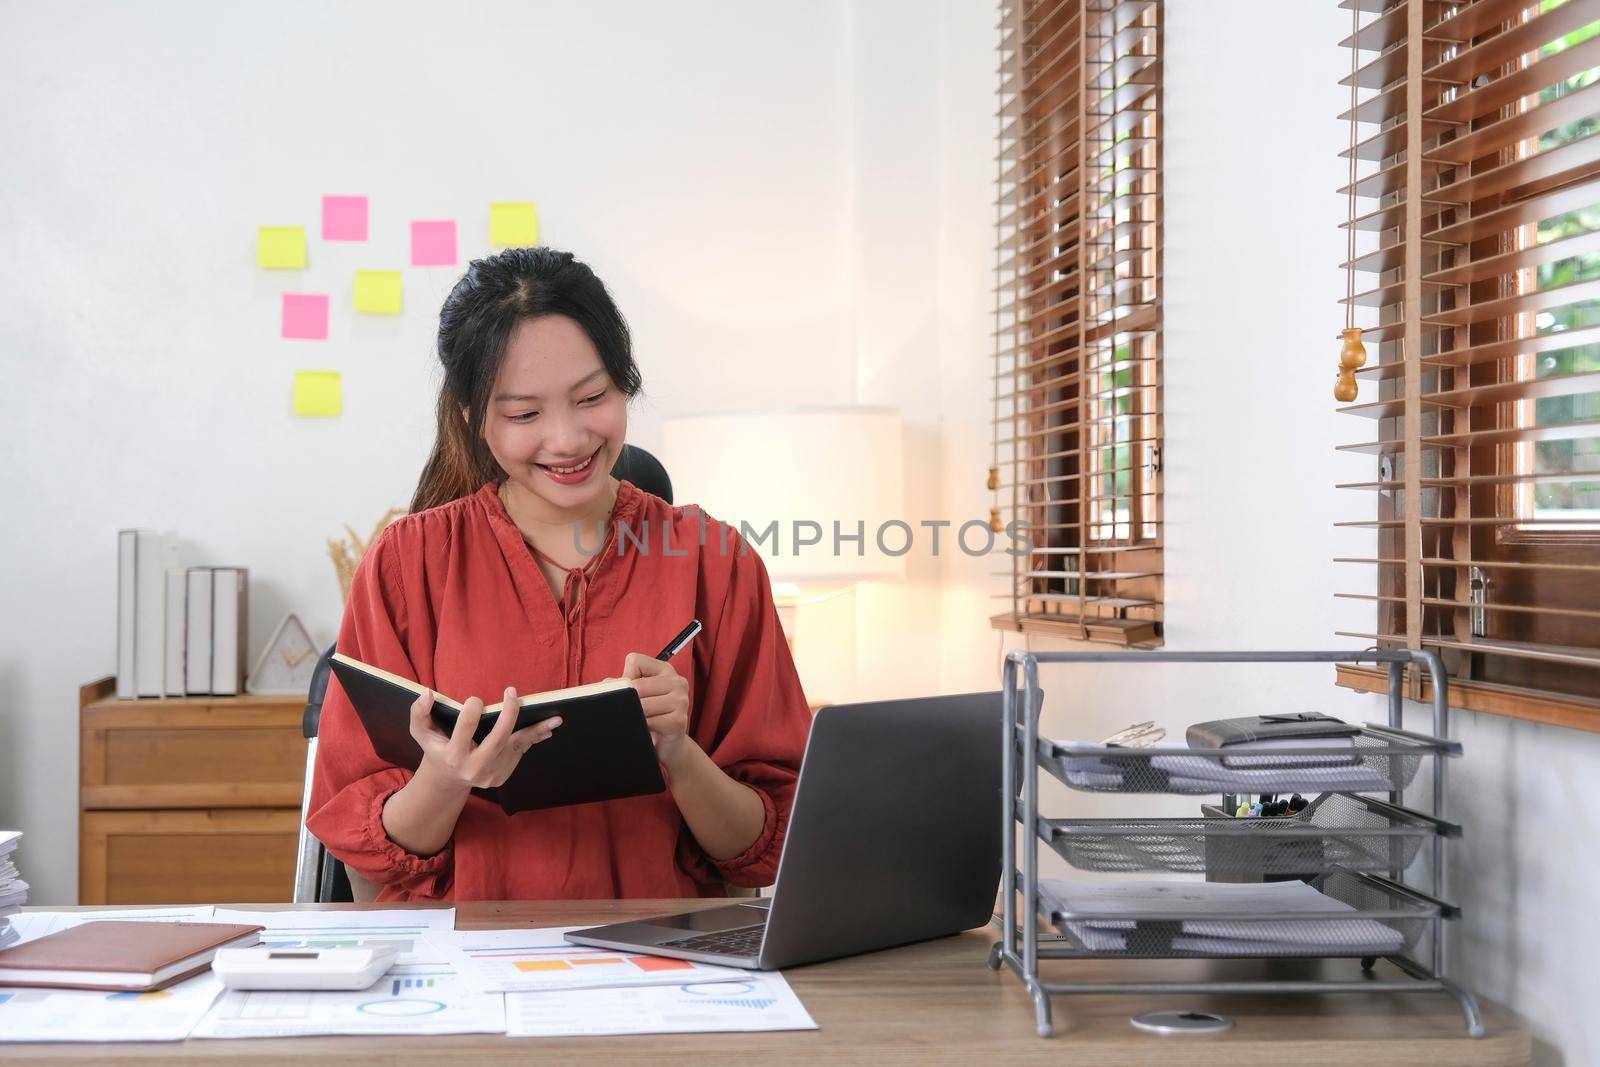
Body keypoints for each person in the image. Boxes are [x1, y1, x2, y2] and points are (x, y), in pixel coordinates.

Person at [307, 247, 812, 902]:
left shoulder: (716, 562)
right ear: (470, 413)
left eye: (592, 397)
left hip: (669, 968)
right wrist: (448, 776)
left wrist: (678, 752)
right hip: (469, 973)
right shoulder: (406, 567)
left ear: (625, 382)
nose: (568, 439)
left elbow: (765, 849)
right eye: (524, 414)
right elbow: (371, 861)